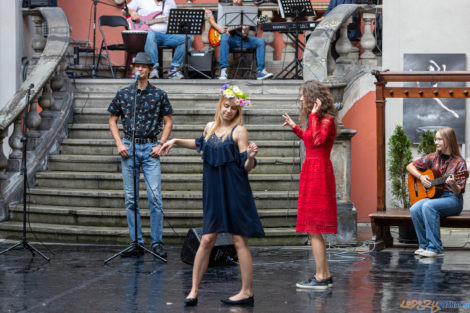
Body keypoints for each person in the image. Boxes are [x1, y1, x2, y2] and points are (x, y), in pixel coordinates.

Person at [160, 84, 265, 306]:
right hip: (213, 191)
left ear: (238, 111)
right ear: (220, 105)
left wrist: (251, 157)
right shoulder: (209, 127)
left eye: (233, 108)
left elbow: (247, 166)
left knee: (239, 240)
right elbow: (199, 144)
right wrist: (175, 141)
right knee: (207, 239)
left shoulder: (239, 131)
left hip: (235, 190)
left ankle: (247, 291)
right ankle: (194, 290)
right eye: (226, 106)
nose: (228, 111)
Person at [108, 52, 173, 258]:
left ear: (150, 69)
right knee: (130, 199)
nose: (141, 69)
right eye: (137, 66)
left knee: (155, 197)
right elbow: (112, 120)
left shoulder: (159, 94)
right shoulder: (124, 94)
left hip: (150, 148)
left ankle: (157, 242)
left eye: (144, 67)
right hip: (129, 148)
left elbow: (168, 121)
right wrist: (119, 143)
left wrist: (161, 143)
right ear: (133, 68)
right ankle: (136, 242)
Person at [281, 80, 338, 289]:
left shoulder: (326, 120)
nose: (301, 99)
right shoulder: (320, 120)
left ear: (314, 98)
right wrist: (295, 127)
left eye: (304, 95)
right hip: (312, 171)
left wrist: (313, 116)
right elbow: (309, 138)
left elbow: (316, 141)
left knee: (314, 227)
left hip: (318, 173)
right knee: (312, 228)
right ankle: (324, 274)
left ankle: (321, 277)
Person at [406, 127, 467, 258]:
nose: (436, 142)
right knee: (415, 208)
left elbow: (458, 191)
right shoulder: (433, 158)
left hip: (453, 199)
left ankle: (436, 248)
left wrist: (453, 183)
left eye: (439, 139)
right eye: (436, 139)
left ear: (448, 140)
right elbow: (409, 166)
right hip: (436, 196)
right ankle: (424, 246)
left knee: (428, 206)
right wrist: (421, 177)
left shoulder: (460, 162)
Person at [208, 0, 273, 80]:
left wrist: (244, 31)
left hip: (243, 40)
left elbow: (244, 34)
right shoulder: (226, 9)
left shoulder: (247, 10)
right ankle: (223, 70)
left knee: (260, 41)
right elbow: (211, 18)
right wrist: (219, 28)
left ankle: (260, 72)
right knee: (224, 36)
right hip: (230, 40)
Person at [127, 0, 190, 79]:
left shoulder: (170, 2)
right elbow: (125, 10)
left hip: (166, 35)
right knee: (149, 34)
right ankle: (153, 68)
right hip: (148, 34)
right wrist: (132, 12)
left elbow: (174, 19)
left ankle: (174, 69)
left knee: (186, 38)